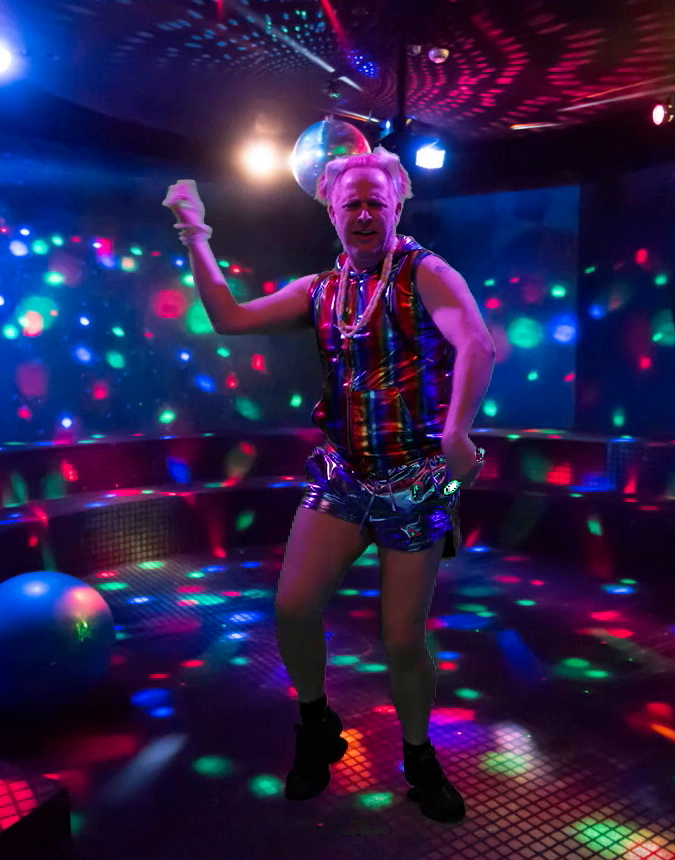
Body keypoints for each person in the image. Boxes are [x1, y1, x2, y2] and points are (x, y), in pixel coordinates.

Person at [162, 148, 495, 823]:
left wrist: (457, 433)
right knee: (292, 608)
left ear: (398, 206)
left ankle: (419, 757)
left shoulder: (426, 272)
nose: (365, 214)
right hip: (342, 473)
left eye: (376, 202)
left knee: (402, 640)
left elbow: (476, 345)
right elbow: (229, 317)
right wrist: (195, 232)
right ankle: (317, 727)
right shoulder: (320, 290)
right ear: (332, 212)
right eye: (352, 204)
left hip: (415, 481)